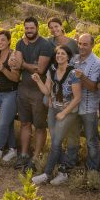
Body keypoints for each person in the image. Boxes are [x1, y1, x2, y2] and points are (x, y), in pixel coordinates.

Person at [31, 45, 82, 186]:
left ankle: (46, 174)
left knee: (55, 142)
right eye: (58, 53)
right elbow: (47, 92)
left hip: (68, 112)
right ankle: (63, 172)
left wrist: (64, 113)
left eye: (63, 54)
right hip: (53, 110)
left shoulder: (73, 74)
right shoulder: (52, 70)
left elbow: (77, 97)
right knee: (55, 141)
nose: (60, 56)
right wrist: (38, 81)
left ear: (68, 57)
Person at [11, 17, 55, 173]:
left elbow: (40, 69)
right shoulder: (20, 43)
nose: (29, 30)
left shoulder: (45, 45)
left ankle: (36, 157)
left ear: (37, 28)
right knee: (24, 123)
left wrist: (22, 64)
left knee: (40, 126)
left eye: (31, 28)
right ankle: (23, 154)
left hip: (38, 91)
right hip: (23, 88)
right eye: (26, 28)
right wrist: (25, 65)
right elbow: (16, 64)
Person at [64, 32, 100, 173]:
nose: (81, 47)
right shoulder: (73, 60)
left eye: (85, 44)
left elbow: (93, 87)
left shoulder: (98, 63)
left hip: (88, 107)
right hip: (74, 106)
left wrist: (82, 77)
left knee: (91, 140)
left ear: (92, 45)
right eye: (79, 43)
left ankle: (92, 170)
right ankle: (70, 163)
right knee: (72, 136)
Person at [0, 30, 20, 163]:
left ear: (9, 41)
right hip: (0, 94)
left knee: (2, 123)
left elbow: (16, 78)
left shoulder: (13, 56)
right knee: (8, 123)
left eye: (3, 40)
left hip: (11, 94)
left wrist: (3, 69)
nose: (0, 42)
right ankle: (13, 150)